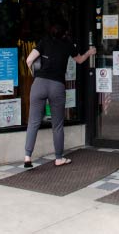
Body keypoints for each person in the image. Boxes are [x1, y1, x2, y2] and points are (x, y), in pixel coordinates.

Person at [24, 19, 95, 167]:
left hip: (39, 83)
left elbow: (29, 60)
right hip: (57, 85)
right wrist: (89, 52)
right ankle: (58, 158)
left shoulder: (44, 42)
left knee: (33, 122)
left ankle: (27, 157)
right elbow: (80, 60)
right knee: (57, 124)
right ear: (65, 33)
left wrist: (35, 75)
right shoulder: (68, 45)